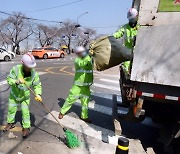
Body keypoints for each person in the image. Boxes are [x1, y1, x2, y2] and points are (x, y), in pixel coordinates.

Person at [3, 53, 42, 138]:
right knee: (11, 110)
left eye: (31, 66)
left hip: (25, 97)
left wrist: (38, 94)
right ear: (23, 63)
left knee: (25, 112)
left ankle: (26, 127)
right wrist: (16, 81)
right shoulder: (16, 69)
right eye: (28, 66)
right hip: (14, 95)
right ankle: (10, 123)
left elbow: (37, 85)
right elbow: (9, 79)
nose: (30, 68)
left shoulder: (34, 74)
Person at [58, 46, 93, 123]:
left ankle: (84, 116)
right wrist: (88, 56)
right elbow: (82, 64)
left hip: (86, 85)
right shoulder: (78, 60)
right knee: (70, 99)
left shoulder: (89, 58)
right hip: (78, 85)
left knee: (85, 102)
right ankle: (62, 112)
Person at [113, 8, 140, 74]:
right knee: (126, 67)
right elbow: (118, 33)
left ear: (137, 17)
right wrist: (111, 37)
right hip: (128, 51)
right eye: (130, 19)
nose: (132, 20)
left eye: (133, 19)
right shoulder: (125, 27)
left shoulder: (140, 27)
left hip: (138, 52)